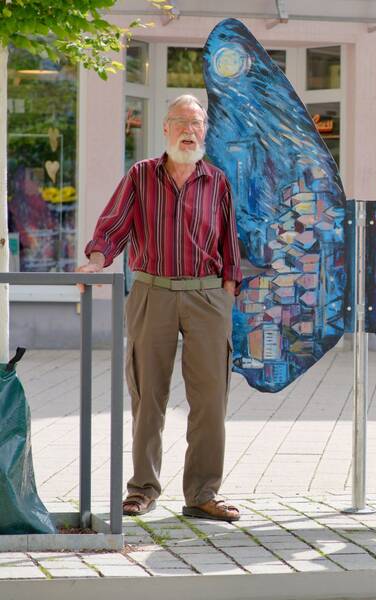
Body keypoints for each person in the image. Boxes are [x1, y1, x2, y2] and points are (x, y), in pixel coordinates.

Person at [78, 94, 242, 522]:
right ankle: (142, 488)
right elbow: (114, 225)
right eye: (182, 123)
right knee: (147, 394)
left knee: (210, 399)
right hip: (152, 292)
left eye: (198, 123)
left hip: (207, 297)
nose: (190, 131)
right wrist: (95, 260)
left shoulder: (218, 181)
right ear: (166, 129)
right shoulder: (141, 176)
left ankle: (203, 494)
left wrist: (227, 290)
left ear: (205, 131)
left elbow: (229, 242)